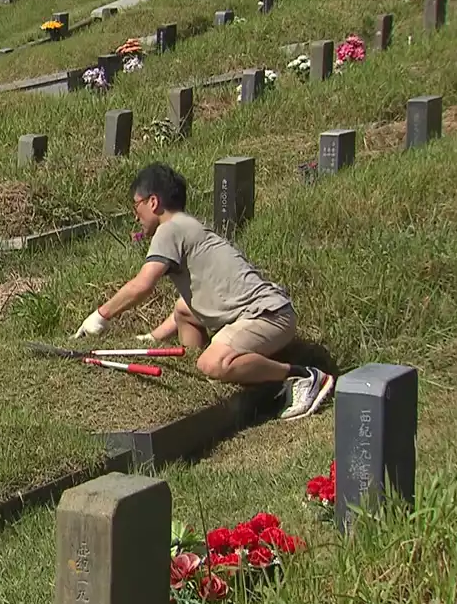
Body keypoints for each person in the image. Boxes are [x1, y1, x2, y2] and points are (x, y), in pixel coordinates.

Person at [72, 163, 334, 421]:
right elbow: (184, 309)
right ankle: (205, 376)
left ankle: (303, 376)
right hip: (264, 313)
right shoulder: (187, 226)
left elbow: (143, 285)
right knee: (183, 310)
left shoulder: (169, 230)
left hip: (267, 315)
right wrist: (152, 337)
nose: (135, 215)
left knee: (212, 363)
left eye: (135, 205)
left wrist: (100, 316)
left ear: (153, 202)